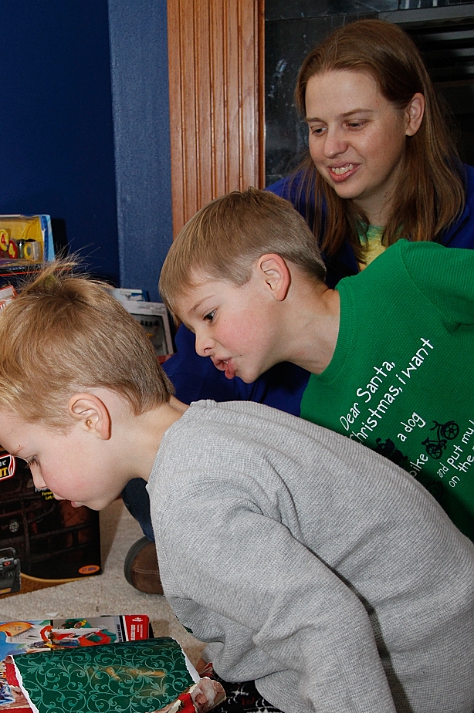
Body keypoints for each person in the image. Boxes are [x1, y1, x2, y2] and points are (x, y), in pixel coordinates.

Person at [0, 269, 474, 713]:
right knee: (226, 688)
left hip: (426, 676)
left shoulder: (188, 503)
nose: (37, 481)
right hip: (449, 618)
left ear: (89, 415)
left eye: (33, 456)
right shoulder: (217, 425)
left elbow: (326, 624)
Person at [124, 18, 474, 592]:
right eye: (316, 128)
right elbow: (203, 356)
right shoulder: (285, 212)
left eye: (355, 123)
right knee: (149, 465)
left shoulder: (431, 251)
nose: (331, 147)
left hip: (428, 452)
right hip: (316, 436)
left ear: (411, 115)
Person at [159, 187, 474, 542]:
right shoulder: (317, 418)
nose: (200, 346)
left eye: (209, 316)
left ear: (271, 278)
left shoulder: (405, 277)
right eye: (193, 330)